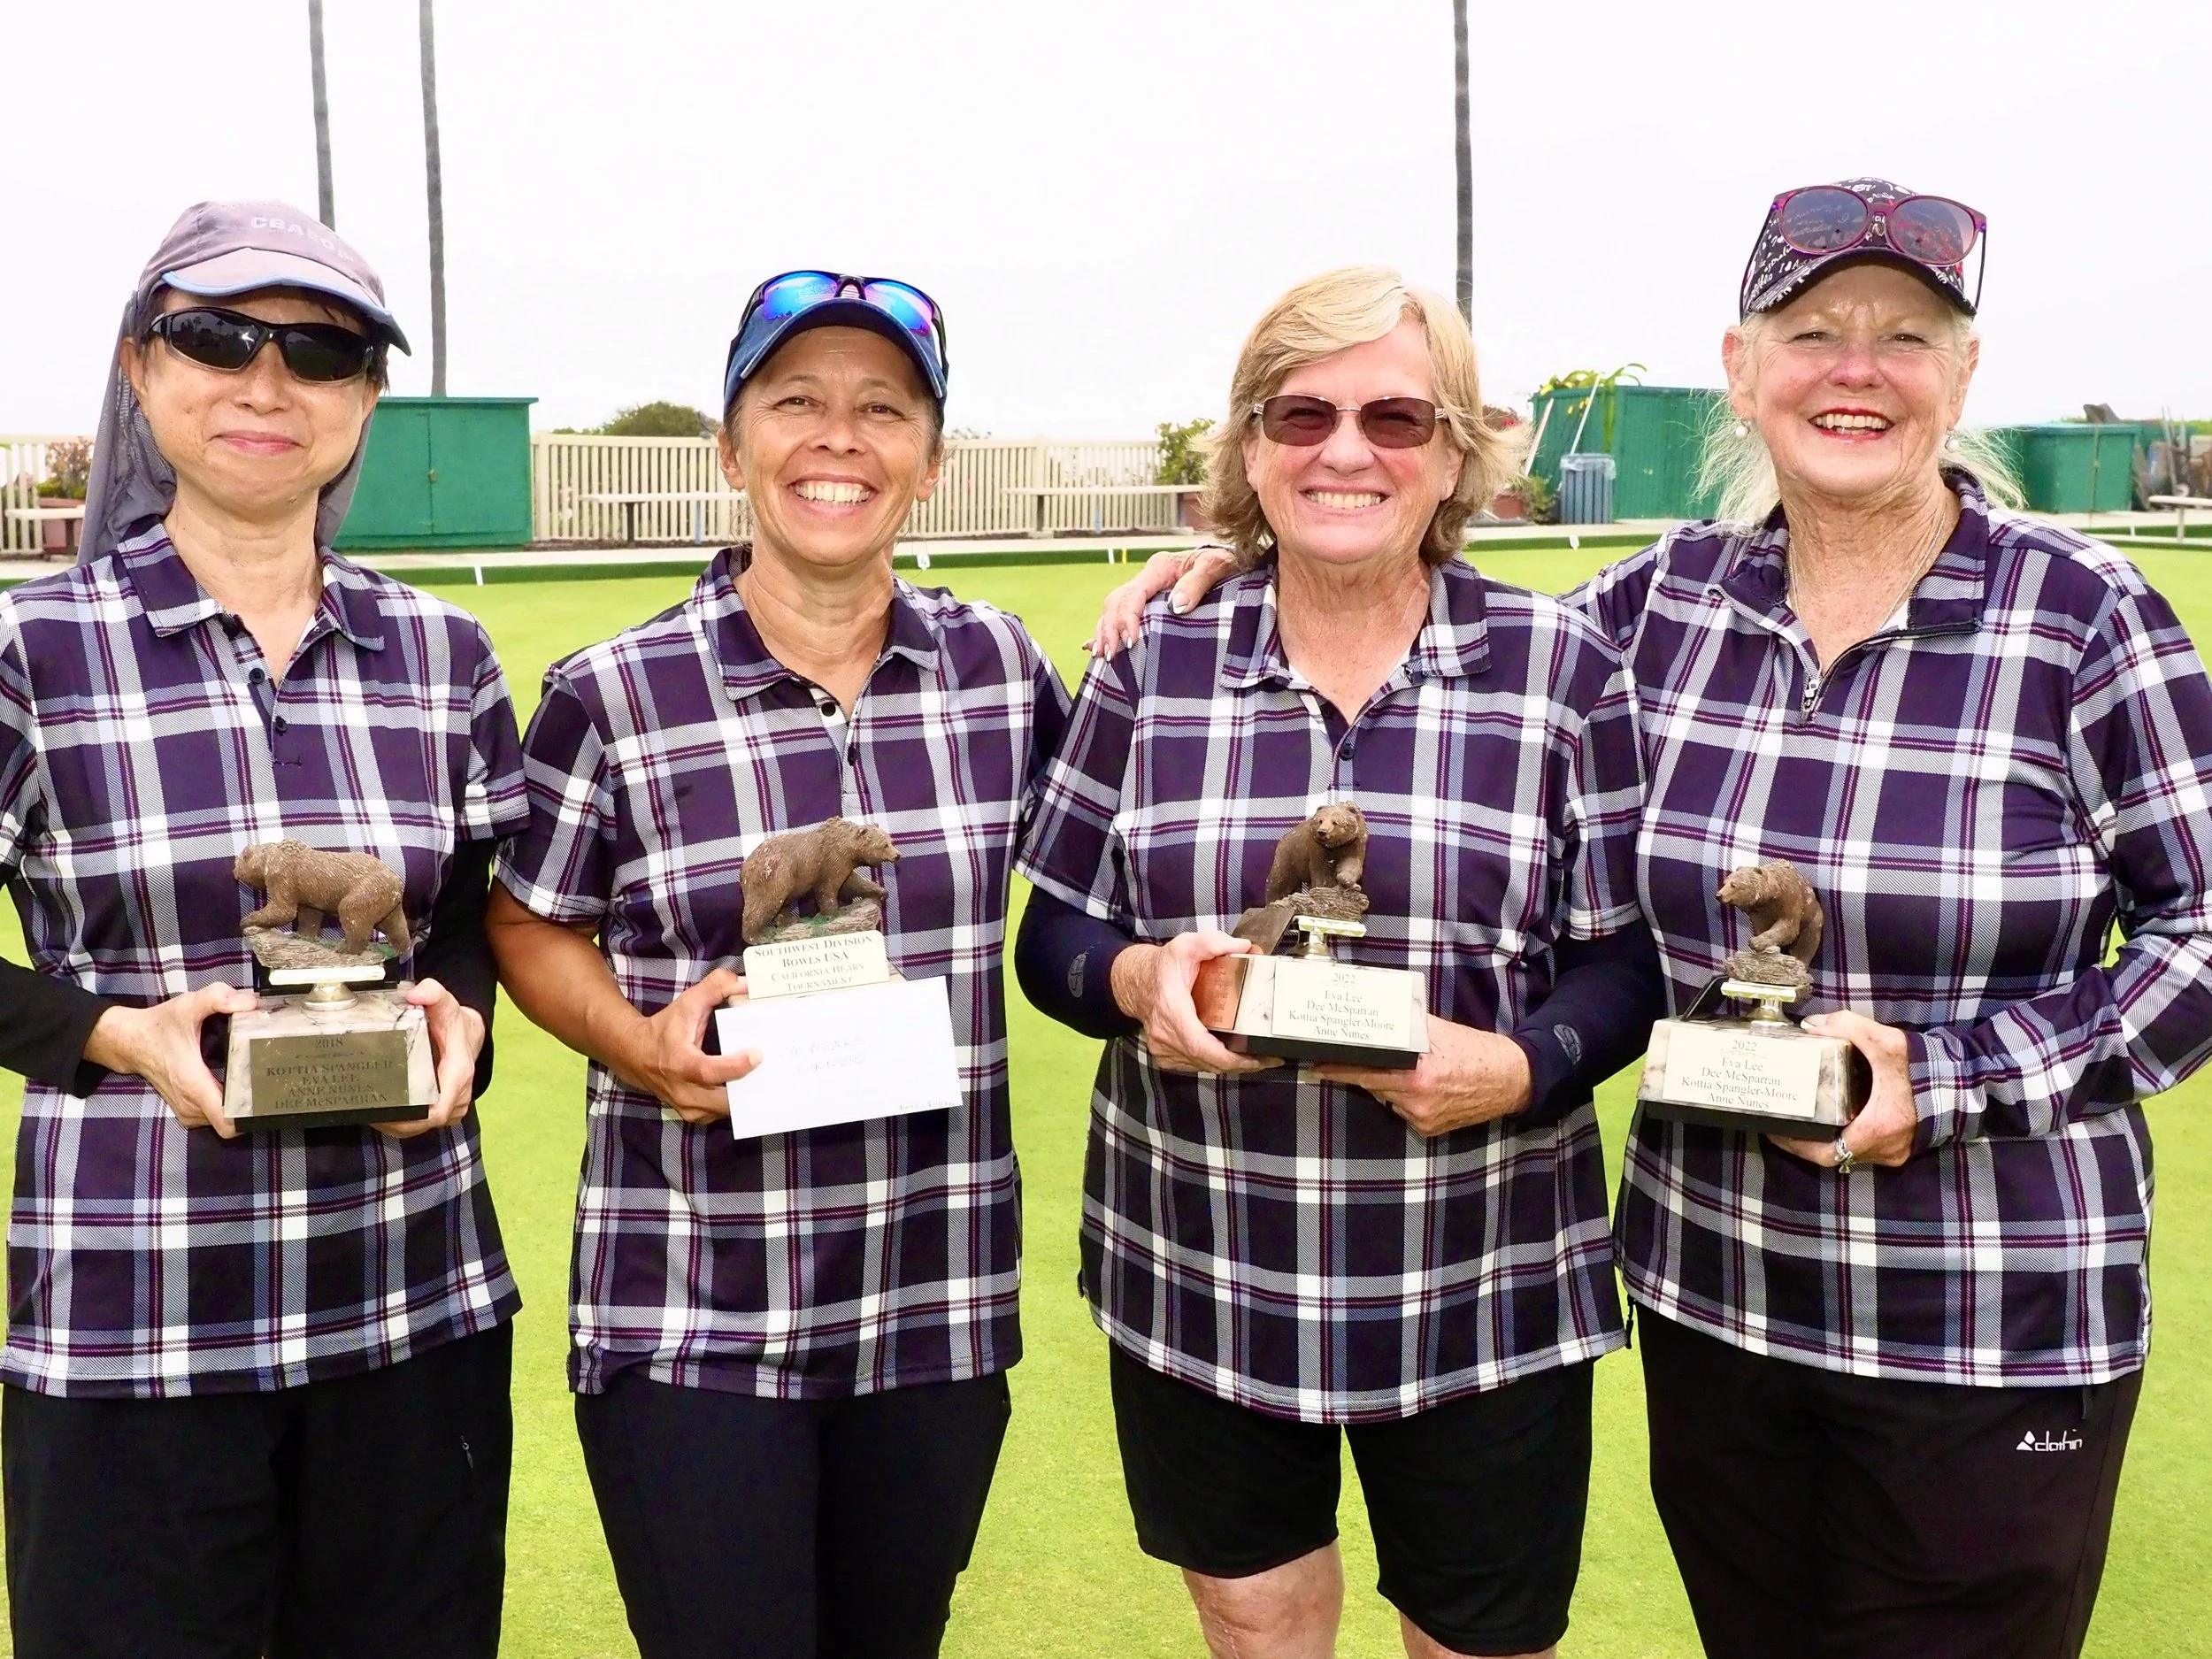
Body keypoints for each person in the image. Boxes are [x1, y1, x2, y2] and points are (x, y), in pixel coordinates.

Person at [1093, 180, 2212, 1659]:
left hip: (1988, 1320)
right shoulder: (1652, 614)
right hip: (1718, 1307)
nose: (1856, 369)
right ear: (1744, 369)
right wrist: (1246, 563)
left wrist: (1942, 1079)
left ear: (1964, 371)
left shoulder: (2085, 615)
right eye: (1813, 331)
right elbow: (1430, 614)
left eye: (1906, 334)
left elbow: (2199, 935)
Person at [1015, 266, 1664, 1659]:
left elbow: (1624, 965)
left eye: (1396, 417)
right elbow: (1052, 937)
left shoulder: (1563, 669)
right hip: (1204, 1270)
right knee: (1259, 1635)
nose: (1346, 450)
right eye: (1300, 414)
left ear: (1455, 456)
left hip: (1486, 1285)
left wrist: (1526, 1062)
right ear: (1250, 449)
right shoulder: (1155, 657)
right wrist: (1137, 985)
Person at [488, 272, 1071, 1659]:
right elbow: (525, 920)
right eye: (794, 400)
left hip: (933, 1303)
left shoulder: (1000, 671)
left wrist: (1211, 568)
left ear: (928, 460)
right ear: (731, 441)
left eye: (884, 408)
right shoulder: (613, 690)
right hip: (693, 1306)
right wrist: (636, 1043)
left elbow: (1125, 835)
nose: (839, 439)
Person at [0, 201, 526, 1658]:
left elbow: (473, 912)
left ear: (364, 401)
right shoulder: (34, 649)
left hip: (412, 1314)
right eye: (217, 337)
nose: (265, 382)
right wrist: (107, 1029)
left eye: (320, 351)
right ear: (140, 368)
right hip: (133, 1322)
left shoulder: (444, 652)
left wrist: (464, 1016)